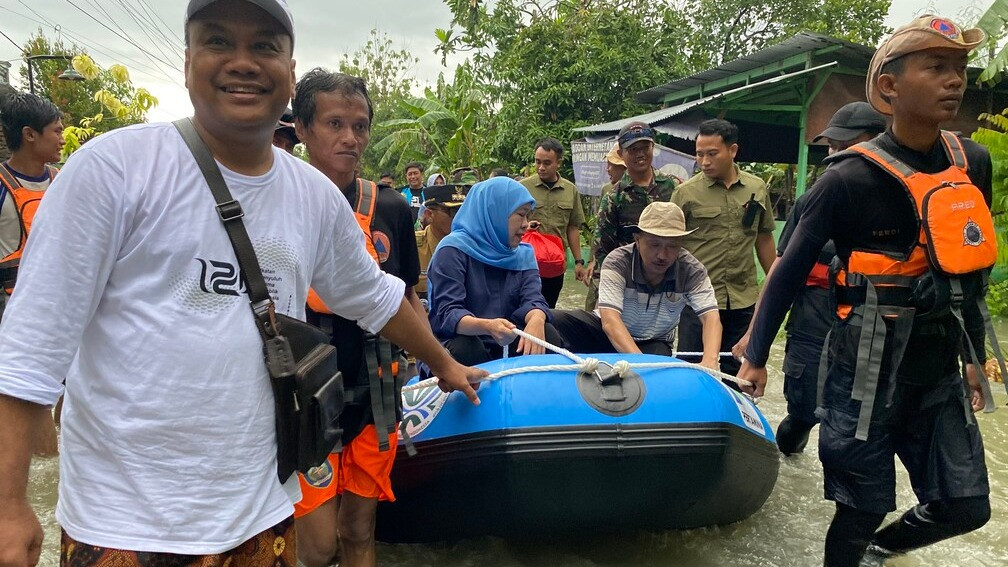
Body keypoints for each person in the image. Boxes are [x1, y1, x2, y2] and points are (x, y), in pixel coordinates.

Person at [0, 2, 484, 566]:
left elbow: (377, 298)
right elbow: (31, 350)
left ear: (289, 69)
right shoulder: (113, 171)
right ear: (187, 62)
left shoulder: (314, 198)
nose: (242, 62)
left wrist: (445, 364)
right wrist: (10, 504)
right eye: (218, 41)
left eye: (264, 46)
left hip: (263, 517)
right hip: (127, 524)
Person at [739, 15, 993, 566]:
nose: (955, 81)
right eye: (936, 67)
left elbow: (968, 268)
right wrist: (756, 357)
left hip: (937, 367)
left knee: (968, 505)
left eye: (959, 69)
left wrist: (976, 355)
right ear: (889, 87)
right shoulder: (847, 179)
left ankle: (883, 550)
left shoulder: (972, 162)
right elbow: (786, 269)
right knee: (860, 506)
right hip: (863, 373)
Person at [292, 68, 430, 567]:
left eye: (361, 125)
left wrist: (436, 363)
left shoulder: (390, 206)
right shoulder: (277, 203)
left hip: (374, 391)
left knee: (358, 529)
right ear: (303, 129)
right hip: (305, 397)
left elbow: (408, 298)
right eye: (334, 124)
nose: (351, 138)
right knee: (316, 545)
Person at [733, 101, 887, 456]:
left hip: (871, 324)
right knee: (803, 413)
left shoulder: (904, 199)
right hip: (812, 321)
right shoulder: (814, 200)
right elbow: (781, 274)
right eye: (832, 146)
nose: (835, 154)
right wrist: (754, 339)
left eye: (844, 145)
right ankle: (788, 459)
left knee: (862, 419)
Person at [554, 202, 721, 364]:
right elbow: (610, 320)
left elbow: (711, 317)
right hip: (606, 333)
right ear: (637, 239)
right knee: (551, 320)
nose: (662, 255)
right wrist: (640, 362)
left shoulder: (692, 269)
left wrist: (710, 361)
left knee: (658, 360)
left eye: (672, 246)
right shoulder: (617, 262)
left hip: (654, 341)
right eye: (654, 244)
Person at [671, 118, 776, 377]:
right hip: (697, 300)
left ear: (733, 150)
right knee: (691, 368)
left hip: (742, 300)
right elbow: (669, 245)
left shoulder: (756, 188)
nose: (704, 161)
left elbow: (763, 238)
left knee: (738, 370)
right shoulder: (685, 193)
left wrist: (776, 285)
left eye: (712, 154)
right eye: (699, 154)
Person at [426, 177, 563, 369]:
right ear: (495, 213)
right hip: (466, 341)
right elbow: (448, 313)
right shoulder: (452, 251)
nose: (526, 224)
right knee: (465, 347)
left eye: (527, 216)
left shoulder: (523, 254)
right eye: (520, 215)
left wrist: (536, 319)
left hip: (509, 340)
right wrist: (487, 326)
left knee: (546, 334)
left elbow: (533, 298)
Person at [0, 92, 64, 459]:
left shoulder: (64, 181)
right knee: (32, 395)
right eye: (55, 130)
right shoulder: (2, 185)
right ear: (29, 134)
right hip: (13, 308)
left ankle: (57, 460)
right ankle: (43, 465)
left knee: (68, 388)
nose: (61, 137)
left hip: (61, 307)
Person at [592, 122, 678, 289]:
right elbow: (603, 250)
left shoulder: (674, 187)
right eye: (633, 149)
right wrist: (603, 292)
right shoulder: (614, 198)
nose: (640, 154)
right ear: (621, 153)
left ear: (653, 147)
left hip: (668, 281)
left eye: (645, 147)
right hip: (628, 283)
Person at [520, 138, 586, 307]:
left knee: (549, 308)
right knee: (523, 307)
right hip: (526, 262)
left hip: (555, 265)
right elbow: (509, 221)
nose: (541, 167)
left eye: (547, 163)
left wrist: (579, 262)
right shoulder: (522, 188)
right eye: (538, 162)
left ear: (559, 163)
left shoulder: (570, 190)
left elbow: (572, 227)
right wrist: (526, 226)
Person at [583, 142, 627, 310]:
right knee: (592, 304)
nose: (608, 169)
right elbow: (600, 229)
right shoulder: (607, 190)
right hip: (603, 259)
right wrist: (592, 260)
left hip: (624, 261)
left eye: (612, 165)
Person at [415, 183, 468, 309]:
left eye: (464, 211)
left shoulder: (475, 248)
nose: (461, 218)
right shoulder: (413, 246)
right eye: (454, 212)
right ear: (429, 215)